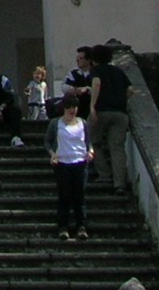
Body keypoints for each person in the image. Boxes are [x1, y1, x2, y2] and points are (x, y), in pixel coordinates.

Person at [47, 93, 95, 240]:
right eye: (69, 107)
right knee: (64, 196)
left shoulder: (82, 123)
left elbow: (88, 141)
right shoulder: (56, 123)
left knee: (79, 196)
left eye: (74, 107)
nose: (72, 110)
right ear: (64, 108)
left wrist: (90, 151)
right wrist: (52, 154)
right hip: (62, 163)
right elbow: (48, 142)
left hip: (80, 162)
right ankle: (63, 226)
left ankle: (81, 226)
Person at [86, 44, 132, 193]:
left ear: (94, 59)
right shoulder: (118, 71)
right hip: (120, 113)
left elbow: (97, 83)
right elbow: (130, 89)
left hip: (102, 111)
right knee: (117, 148)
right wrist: (120, 100)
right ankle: (120, 183)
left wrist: (92, 106)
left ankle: (104, 173)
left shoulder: (96, 71)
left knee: (92, 140)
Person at [60, 47, 95, 114]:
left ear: (89, 60)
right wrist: (74, 89)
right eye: (77, 58)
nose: (78, 60)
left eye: (81, 58)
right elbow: (64, 86)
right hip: (78, 108)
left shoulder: (95, 73)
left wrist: (88, 90)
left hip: (93, 108)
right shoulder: (74, 73)